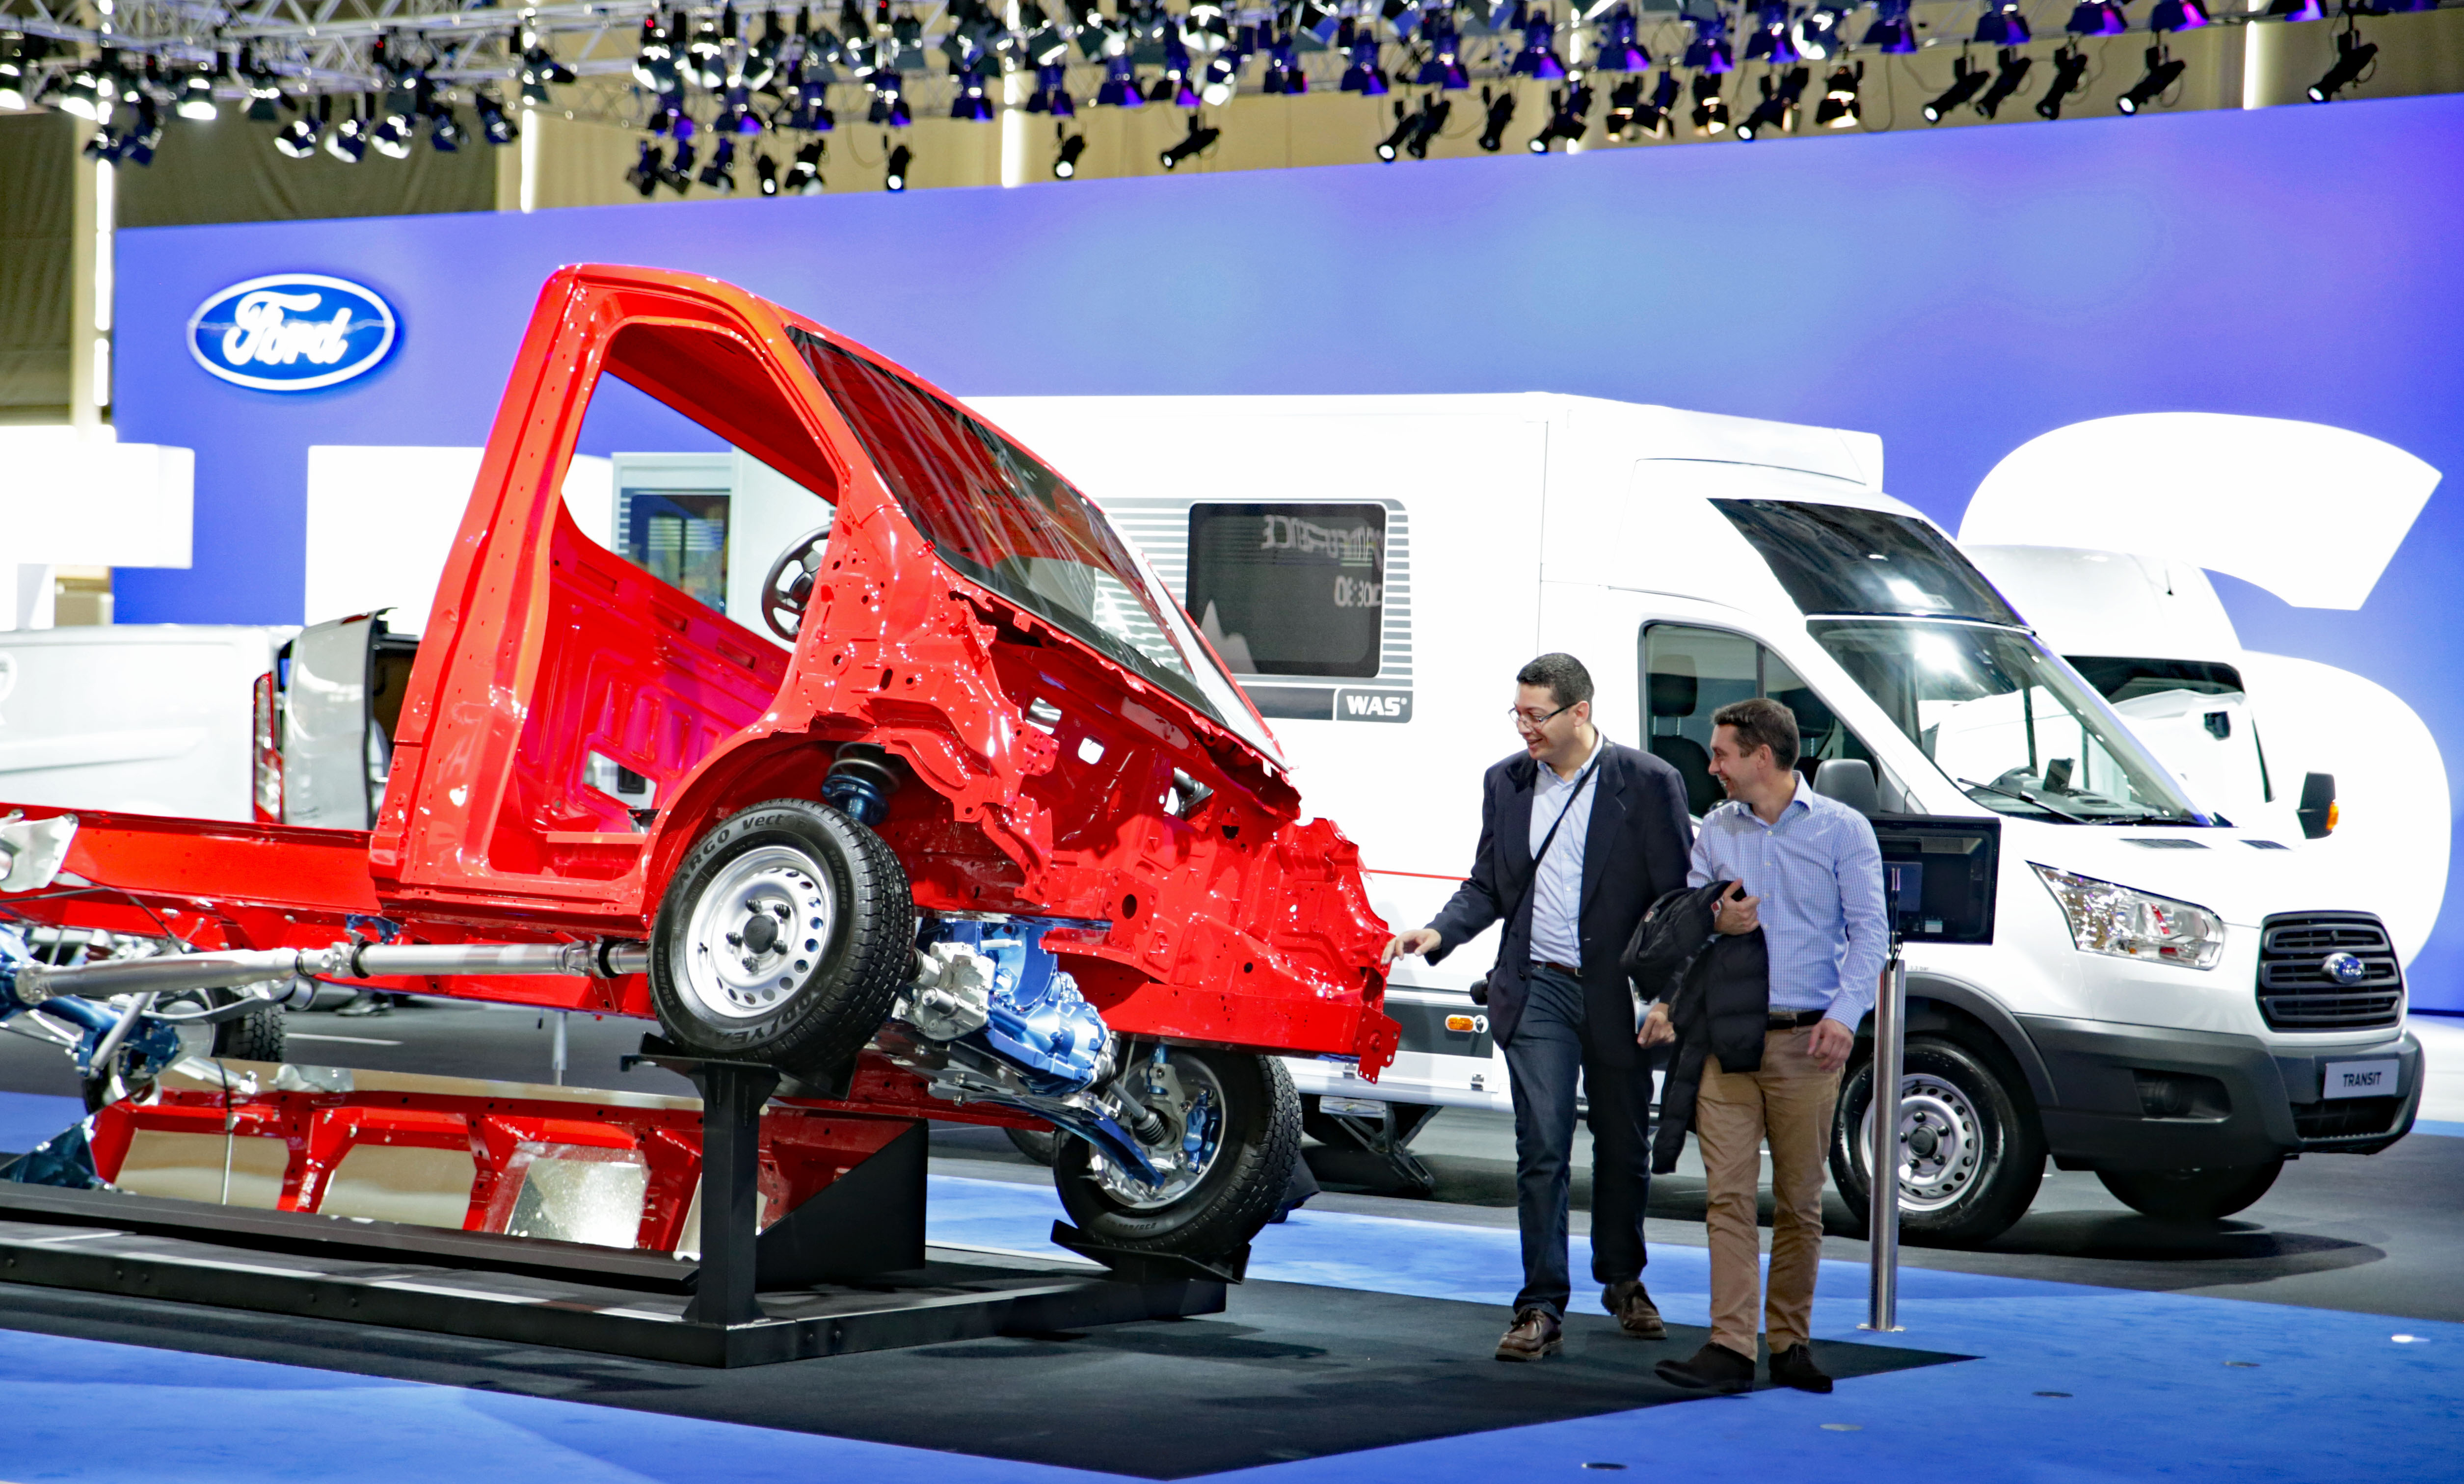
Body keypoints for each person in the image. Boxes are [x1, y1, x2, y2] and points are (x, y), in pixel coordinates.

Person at [1386, 653, 1693, 1361]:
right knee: (1543, 1146)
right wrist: (1439, 932)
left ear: (1579, 712)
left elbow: (1676, 903)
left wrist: (1669, 997)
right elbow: (1488, 885)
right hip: (1537, 987)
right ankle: (1540, 1305)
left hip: (1617, 991)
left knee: (1623, 1144)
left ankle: (1623, 1279)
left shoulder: (1649, 783)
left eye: (1536, 715)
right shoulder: (1506, 782)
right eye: (1517, 713)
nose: (1523, 727)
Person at [1640, 697, 1884, 1395]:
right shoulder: (1717, 829)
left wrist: (1845, 1016)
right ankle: (1729, 1346)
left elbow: (1871, 931)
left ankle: (1789, 1342)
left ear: (1763, 757)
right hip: (1727, 1040)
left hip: (1809, 1043)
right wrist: (1713, 926)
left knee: (1801, 1204)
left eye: (1722, 754)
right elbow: (1688, 925)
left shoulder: (1843, 830)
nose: (1712, 766)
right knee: (1727, 1199)